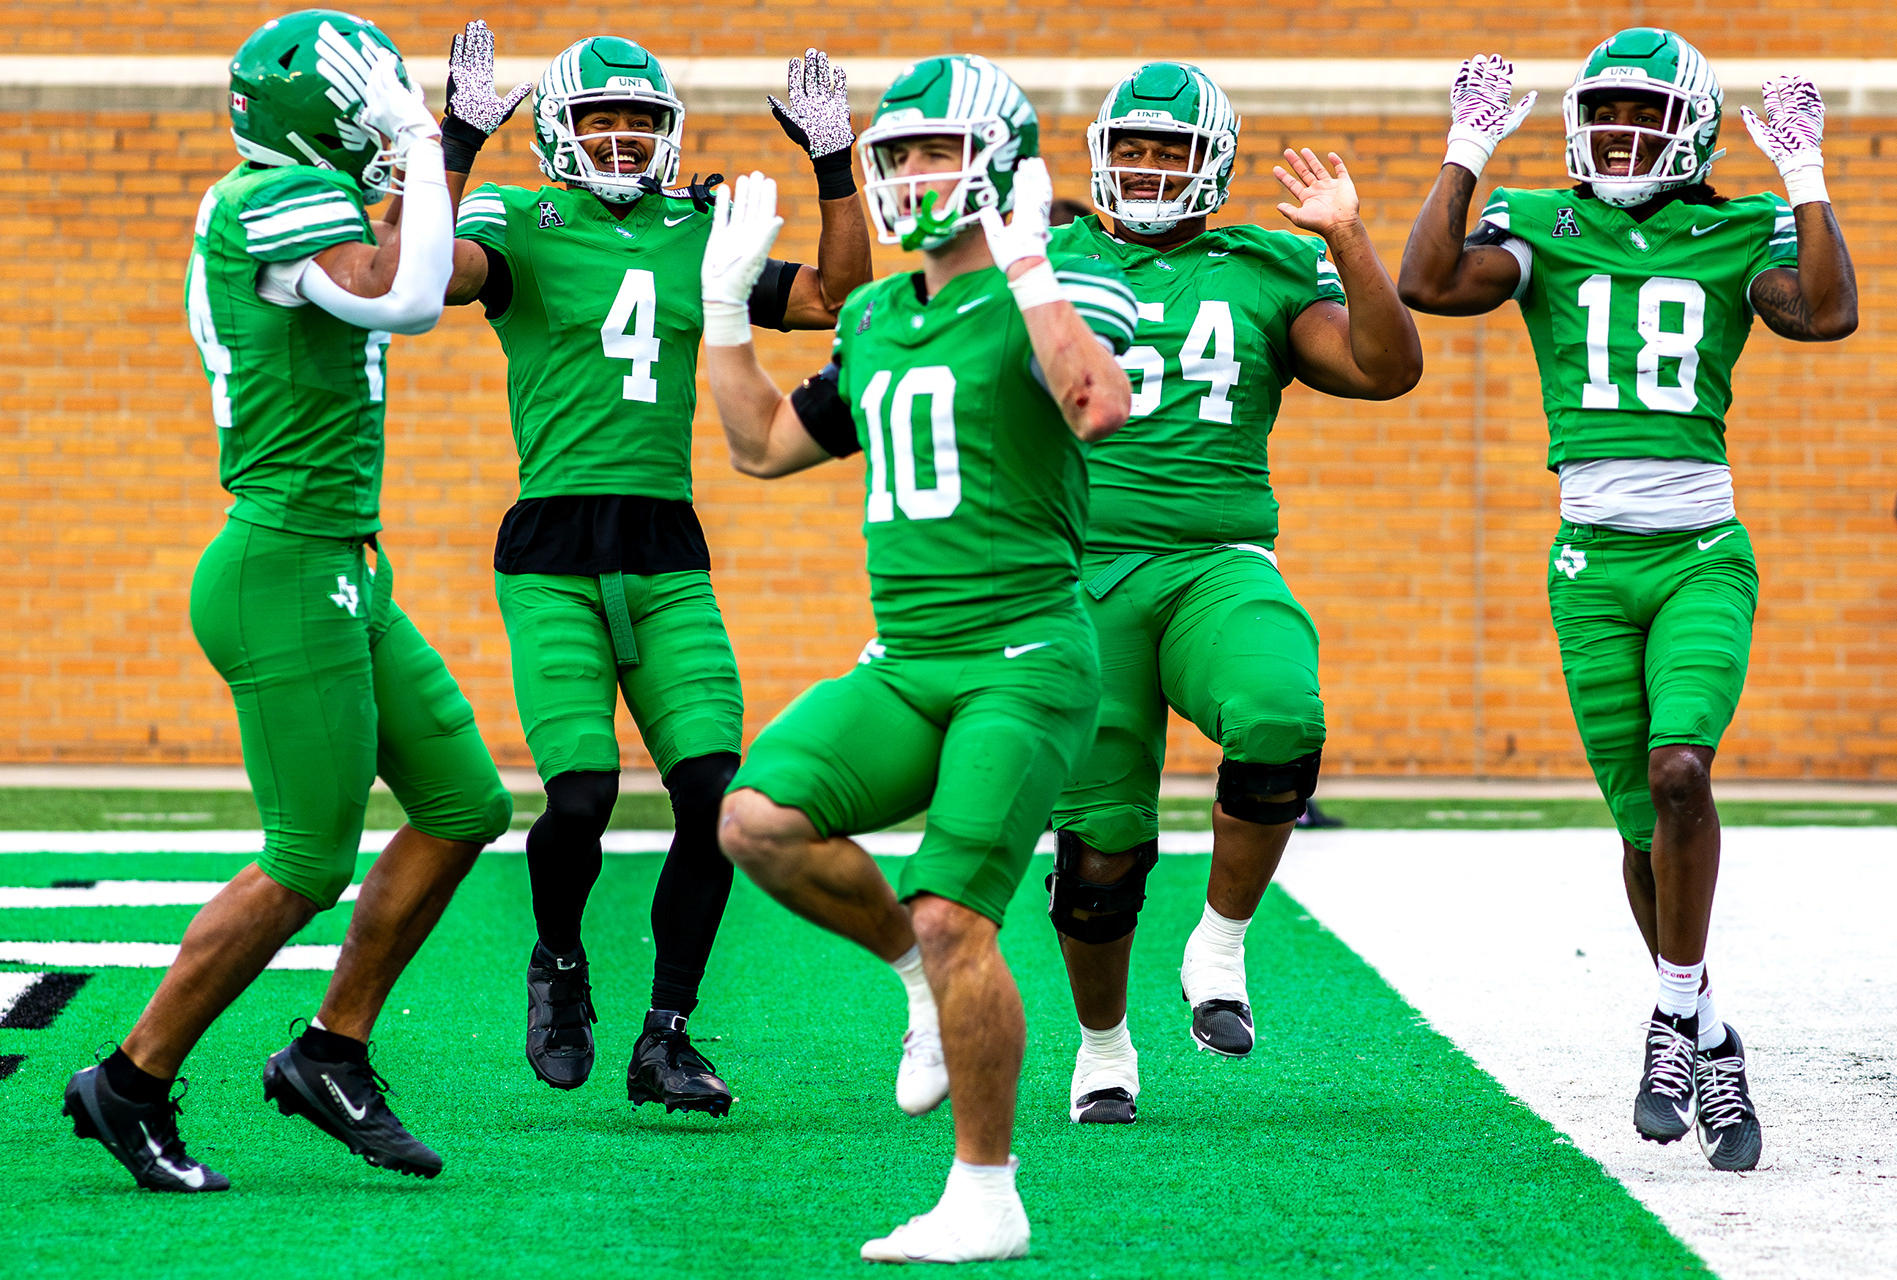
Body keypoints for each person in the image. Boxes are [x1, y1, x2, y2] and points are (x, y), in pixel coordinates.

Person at [63, 10, 513, 1191]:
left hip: (345, 563)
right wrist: (423, 140)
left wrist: (446, 143)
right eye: (367, 106)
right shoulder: (267, 194)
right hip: (283, 563)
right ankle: (131, 1078)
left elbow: (414, 259)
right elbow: (407, 299)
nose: (383, 123)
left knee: (464, 804)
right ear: (313, 117)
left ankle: (331, 1050)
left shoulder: (301, 195)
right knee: (307, 857)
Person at [700, 54, 1137, 1262]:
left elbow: (1097, 402)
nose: (911, 173)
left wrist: (1036, 260)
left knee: (960, 914)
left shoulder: (1059, 283)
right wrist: (725, 310)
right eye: (896, 154)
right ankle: (914, 983)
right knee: (756, 820)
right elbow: (764, 447)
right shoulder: (876, 316)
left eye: (937, 150)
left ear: (1001, 164)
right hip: (907, 657)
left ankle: (988, 1195)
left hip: (1025, 652)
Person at [1397, 30, 1857, 1173]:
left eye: (1641, 117)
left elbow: (1827, 311)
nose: (1616, 136)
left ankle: (1666, 1018)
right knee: (1640, 828)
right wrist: (1467, 144)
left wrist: (1804, 174)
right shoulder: (1546, 222)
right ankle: (1709, 1030)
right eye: (1600, 115)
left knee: (1680, 770)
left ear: (1692, 129)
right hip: (1589, 567)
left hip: (1702, 550)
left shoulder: (1735, 226)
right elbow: (1427, 280)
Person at [439, 33, 872, 1112]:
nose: (623, 137)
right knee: (580, 795)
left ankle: (666, 1032)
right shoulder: (520, 222)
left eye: (639, 119)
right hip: (551, 549)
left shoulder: (699, 227)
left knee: (716, 797)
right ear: (559, 133)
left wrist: (834, 162)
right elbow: (436, 273)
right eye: (600, 120)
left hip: (667, 547)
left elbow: (835, 297)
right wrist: (452, 139)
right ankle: (559, 963)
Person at [1044, 61, 1423, 1125]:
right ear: (1102, 154)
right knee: (1100, 843)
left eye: (1172, 147)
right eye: (1136, 146)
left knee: (1278, 709)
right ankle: (1104, 1047)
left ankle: (1218, 945)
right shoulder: (1053, 262)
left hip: (1217, 558)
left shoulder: (1265, 263)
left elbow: (1386, 368)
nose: (1151, 165)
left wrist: (1348, 238)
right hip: (1081, 572)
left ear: (1211, 161)